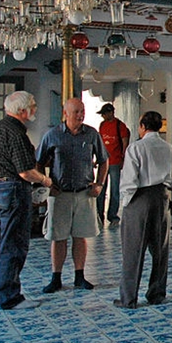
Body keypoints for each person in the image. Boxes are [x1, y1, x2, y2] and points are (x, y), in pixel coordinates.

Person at [0, 91, 54, 310]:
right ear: (22, 111)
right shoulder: (16, 134)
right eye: (33, 106)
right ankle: (10, 296)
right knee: (13, 243)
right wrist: (45, 180)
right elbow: (25, 172)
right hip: (12, 189)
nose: (35, 109)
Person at [37, 98, 109, 294]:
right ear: (65, 114)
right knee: (58, 237)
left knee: (81, 236)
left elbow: (104, 160)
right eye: (76, 111)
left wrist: (100, 184)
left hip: (84, 193)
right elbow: (38, 161)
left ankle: (80, 276)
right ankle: (56, 277)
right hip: (60, 194)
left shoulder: (92, 134)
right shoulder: (52, 135)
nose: (80, 115)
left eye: (82, 111)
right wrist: (46, 184)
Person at [115, 111, 172, 309]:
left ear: (142, 126)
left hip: (139, 199)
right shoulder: (169, 149)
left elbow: (129, 181)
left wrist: (124, 205)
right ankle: (157, 293)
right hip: (162, 197)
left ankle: (128, 298)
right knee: (160, 248)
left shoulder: (136, 148)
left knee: (133, 249)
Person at [96, 103, 130, 226]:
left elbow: (124, 141)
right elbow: (100, 142)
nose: (103, 116)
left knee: (114, 190)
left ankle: (113, 216)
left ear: (111, 112)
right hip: (103, 162)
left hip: (115, 161)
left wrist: (123, 157)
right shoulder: (102, 125)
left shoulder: (119, 126)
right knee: (100, 188)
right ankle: (98, 215)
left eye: (105, 114)